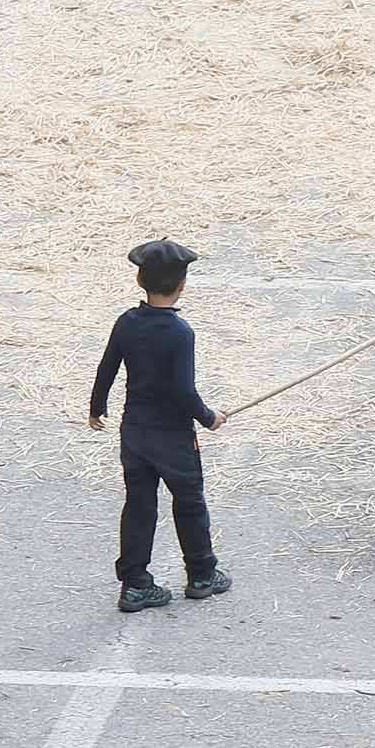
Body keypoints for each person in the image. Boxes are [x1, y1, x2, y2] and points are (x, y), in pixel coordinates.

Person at [89, 234, 230, 615]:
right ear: (182, 286)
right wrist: (208, 418)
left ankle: (135, 584)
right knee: (189, 502)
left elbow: (108, 367)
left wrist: (96, 406)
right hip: (173, 437)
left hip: (134, 432)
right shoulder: (181, 333)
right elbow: (183, 390)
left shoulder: (127, 322)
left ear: (140, 281)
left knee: (139, 505)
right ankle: (201, 574)